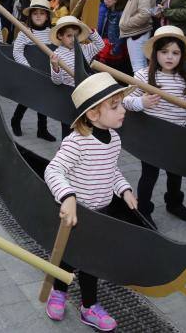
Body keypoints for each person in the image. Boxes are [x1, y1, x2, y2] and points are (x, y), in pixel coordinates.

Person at [44, 70, 135, 332]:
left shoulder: (114, 139)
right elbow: (53, 170)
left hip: (101, 211)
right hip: (75, 212)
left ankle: (89, 306)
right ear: (93, 114)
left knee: (91, 261)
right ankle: (59, 291)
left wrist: (124, 189)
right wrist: (68, 197)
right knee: (68, 257)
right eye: (115, 106)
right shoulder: (77, 142)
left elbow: (111, 170)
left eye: (121, 104)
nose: (123, 111)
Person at [123, 26, 186, 228]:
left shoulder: (185, 78)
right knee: (149, 175)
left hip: (176, 135)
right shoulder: (143, 76)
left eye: (175, 53)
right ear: (155, 53)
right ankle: (143, 210)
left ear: (182, 56)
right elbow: (125, 101)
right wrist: (142, 102)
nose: (170, 57)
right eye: (164, 52)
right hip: (152, 136)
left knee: (175, 173)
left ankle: (174, 203)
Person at [9, 0, 56, 141]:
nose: (38, 16)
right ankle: (16, 120)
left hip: (46, 73)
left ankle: (42, 129)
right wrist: (27, 68)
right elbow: (17, 51)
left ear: (47, 16)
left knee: (44, 101)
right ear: (30, 16)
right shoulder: (25, 32)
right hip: (30, 72)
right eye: (35, 13)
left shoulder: (51, 33)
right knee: (27, 99)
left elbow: (57, 51)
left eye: (42, 13)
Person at [49, 16, 104, 138]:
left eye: (76, 36)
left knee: (87, 127)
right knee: (68, 128)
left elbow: (100, 45)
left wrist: (90, 31)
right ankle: (65, 150)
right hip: (69, 96)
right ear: (60, 36)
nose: (73, 39)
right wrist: (55, 67)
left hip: (86, 94)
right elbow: (57, 81)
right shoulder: (56, 55)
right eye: (69, 36)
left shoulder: (85, 49)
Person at [119, 0, 157, 72]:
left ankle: (141, 90)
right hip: (138, 33)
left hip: (138, 34)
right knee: (140, 68)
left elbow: (144, 14)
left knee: (139, 69)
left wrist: (125, 24)